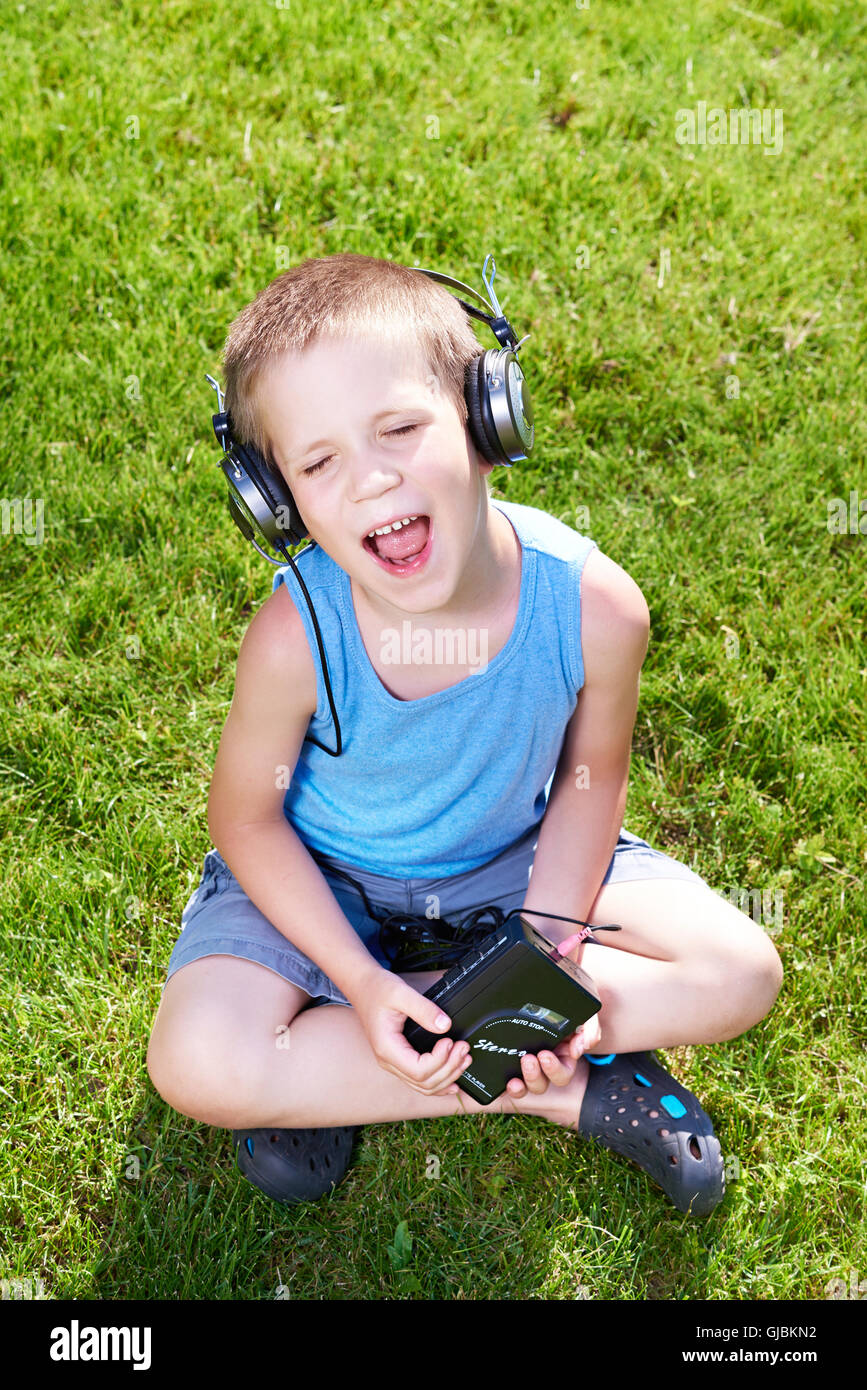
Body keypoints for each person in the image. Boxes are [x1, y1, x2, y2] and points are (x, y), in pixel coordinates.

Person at [146, 252, 783, 1218]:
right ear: (275, 503)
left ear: (489, 421)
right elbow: (248, 820)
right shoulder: (295, 638)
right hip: (328, 881)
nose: (369, 481)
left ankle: (352, 1066)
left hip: (513, 867)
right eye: (317, 463)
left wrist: (551, 940)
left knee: (739, 972)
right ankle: (562, 1084)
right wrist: (359, 981)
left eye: (399, 427)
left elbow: (586, 780)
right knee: (196, 1061)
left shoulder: (594, 608)